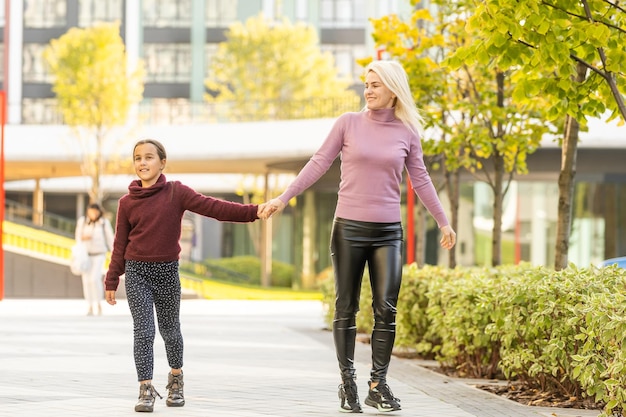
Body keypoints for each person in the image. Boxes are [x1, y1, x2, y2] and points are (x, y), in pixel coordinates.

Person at [261, 60, 456, 413]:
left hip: (388, 233)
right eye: (366, 84)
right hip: (348, 228)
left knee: (386, 309)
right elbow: (318, 162)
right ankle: (348, 383)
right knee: (346, 306)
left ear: (394, 90)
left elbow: (421, 179)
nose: (368, 91)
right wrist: (283, 197)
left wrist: (443, 221)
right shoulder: (347, 123)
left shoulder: (407, 131)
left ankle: (378, 385)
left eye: (376, 85)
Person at [104, 138, 269, 413]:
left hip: (167, 271)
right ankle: (145, 388)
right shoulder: (126, 202)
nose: (142, 163)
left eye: (148, 157)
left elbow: (213, 208)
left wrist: (253, 211)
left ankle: (176, 379)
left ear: (162, 162)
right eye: (137, 158)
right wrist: (111, 279)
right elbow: (120, 244)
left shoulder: (175, 192)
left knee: (170, 330)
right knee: (143, 332)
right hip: (137, 271)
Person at [74, 202, 114, 316]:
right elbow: (77, 237)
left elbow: (110, 238)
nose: (93, 214)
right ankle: (90, 305)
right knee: (86, 281)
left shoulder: (103, 223)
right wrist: (83, 238)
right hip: (86, 255)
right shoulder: (82, 222)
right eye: (91, 212)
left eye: (95, 212)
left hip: (99, 254)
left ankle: (99, 303)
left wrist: (114, 253)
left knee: (94, 279)